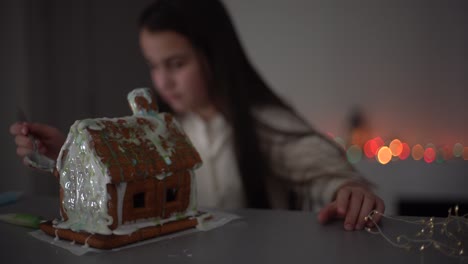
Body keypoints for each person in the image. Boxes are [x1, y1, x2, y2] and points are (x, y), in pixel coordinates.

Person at [10, 0, 384, 231]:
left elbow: (332, 179)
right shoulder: (159, 134)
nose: (162, 81)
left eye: (176, 63)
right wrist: (69, 154)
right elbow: (122, 181)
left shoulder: (263, 126)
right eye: (153, 66)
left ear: (214, 55)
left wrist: (350, 192)